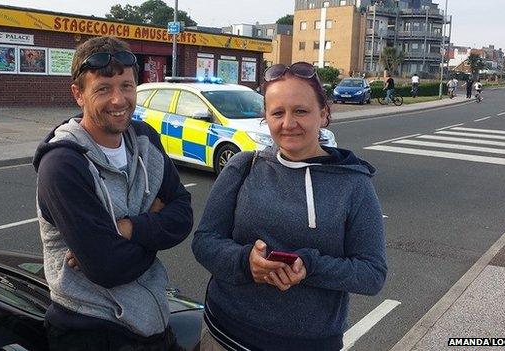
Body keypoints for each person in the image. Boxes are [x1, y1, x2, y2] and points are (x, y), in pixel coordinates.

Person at [192, 61, 387, 351]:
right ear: (266, 117)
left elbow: (372, 274)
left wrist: (309, 266)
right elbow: (204, 242)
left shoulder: (354, 184)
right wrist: (246, 262)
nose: (288, 124)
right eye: (277, 113)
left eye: (301, 111)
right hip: (224, 336)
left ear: (323, 114)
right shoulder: (244, 166)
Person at [33, 36, 193, 350]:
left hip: (153, 322)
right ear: (78, 94)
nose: (119, 100)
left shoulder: (145, 139)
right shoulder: (63, 164)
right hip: (91, 330)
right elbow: (107, 268)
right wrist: (155, 226)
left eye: (127, 86)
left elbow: (184, 213)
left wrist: (131, 229)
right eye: (103, 88)